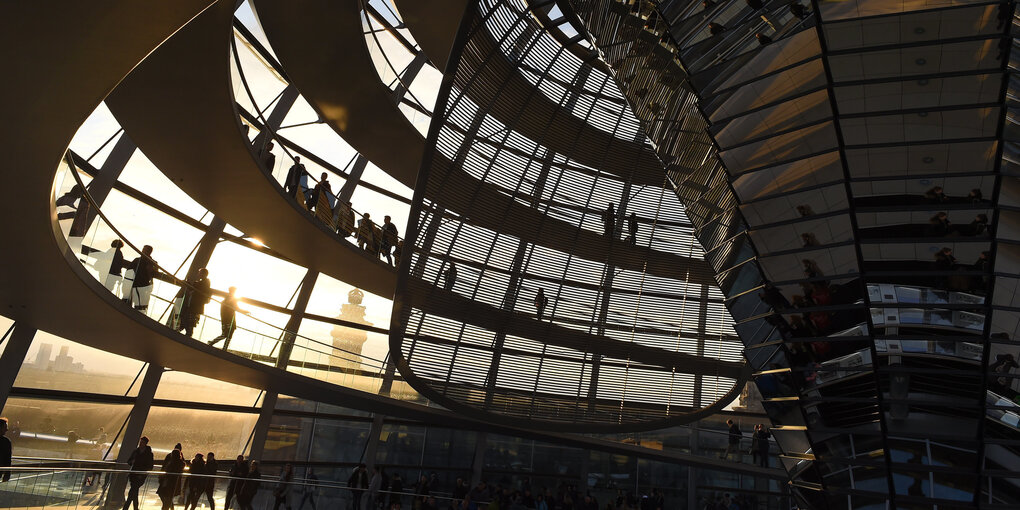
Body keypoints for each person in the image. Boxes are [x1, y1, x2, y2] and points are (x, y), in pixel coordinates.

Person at [122, 436, 154, 510]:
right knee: (134, 491)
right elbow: (129, 461)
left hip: (140, 476)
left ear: (145, 443)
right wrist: (132, 461)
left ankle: (126, 507)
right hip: (134, 475)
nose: (140, 444)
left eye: (142, 442)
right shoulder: (136, 451)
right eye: (140, 442)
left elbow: (150, 466)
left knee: (132, 491)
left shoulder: (149, 454)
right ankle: (135, 508)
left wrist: (143, 473)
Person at [179, 268, 211, 338]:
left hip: (194, 306)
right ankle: (183, 334)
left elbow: (196, 288)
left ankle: (184, 335)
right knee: (187, 320)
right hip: (194, 306)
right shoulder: (205, 282)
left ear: (203, 274)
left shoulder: (203, 283)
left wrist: (189, 284)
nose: (198, 274)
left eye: (199, 273)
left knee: (188, 320)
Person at [125, 245, 158, 312]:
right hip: (138, 285)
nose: (143, 251)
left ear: (149, 252)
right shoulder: (138, 260)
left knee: (138, 306)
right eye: (143, 250)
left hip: (142, 286)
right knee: (137, 306)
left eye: (145, 250)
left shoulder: (140, 261)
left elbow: (129, 270)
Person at [0, 418, 11, 483]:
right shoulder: (6, 442)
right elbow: (8, 459)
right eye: (5, 427)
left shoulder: (6, 441)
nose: (7, 429)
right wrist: (7, 474)